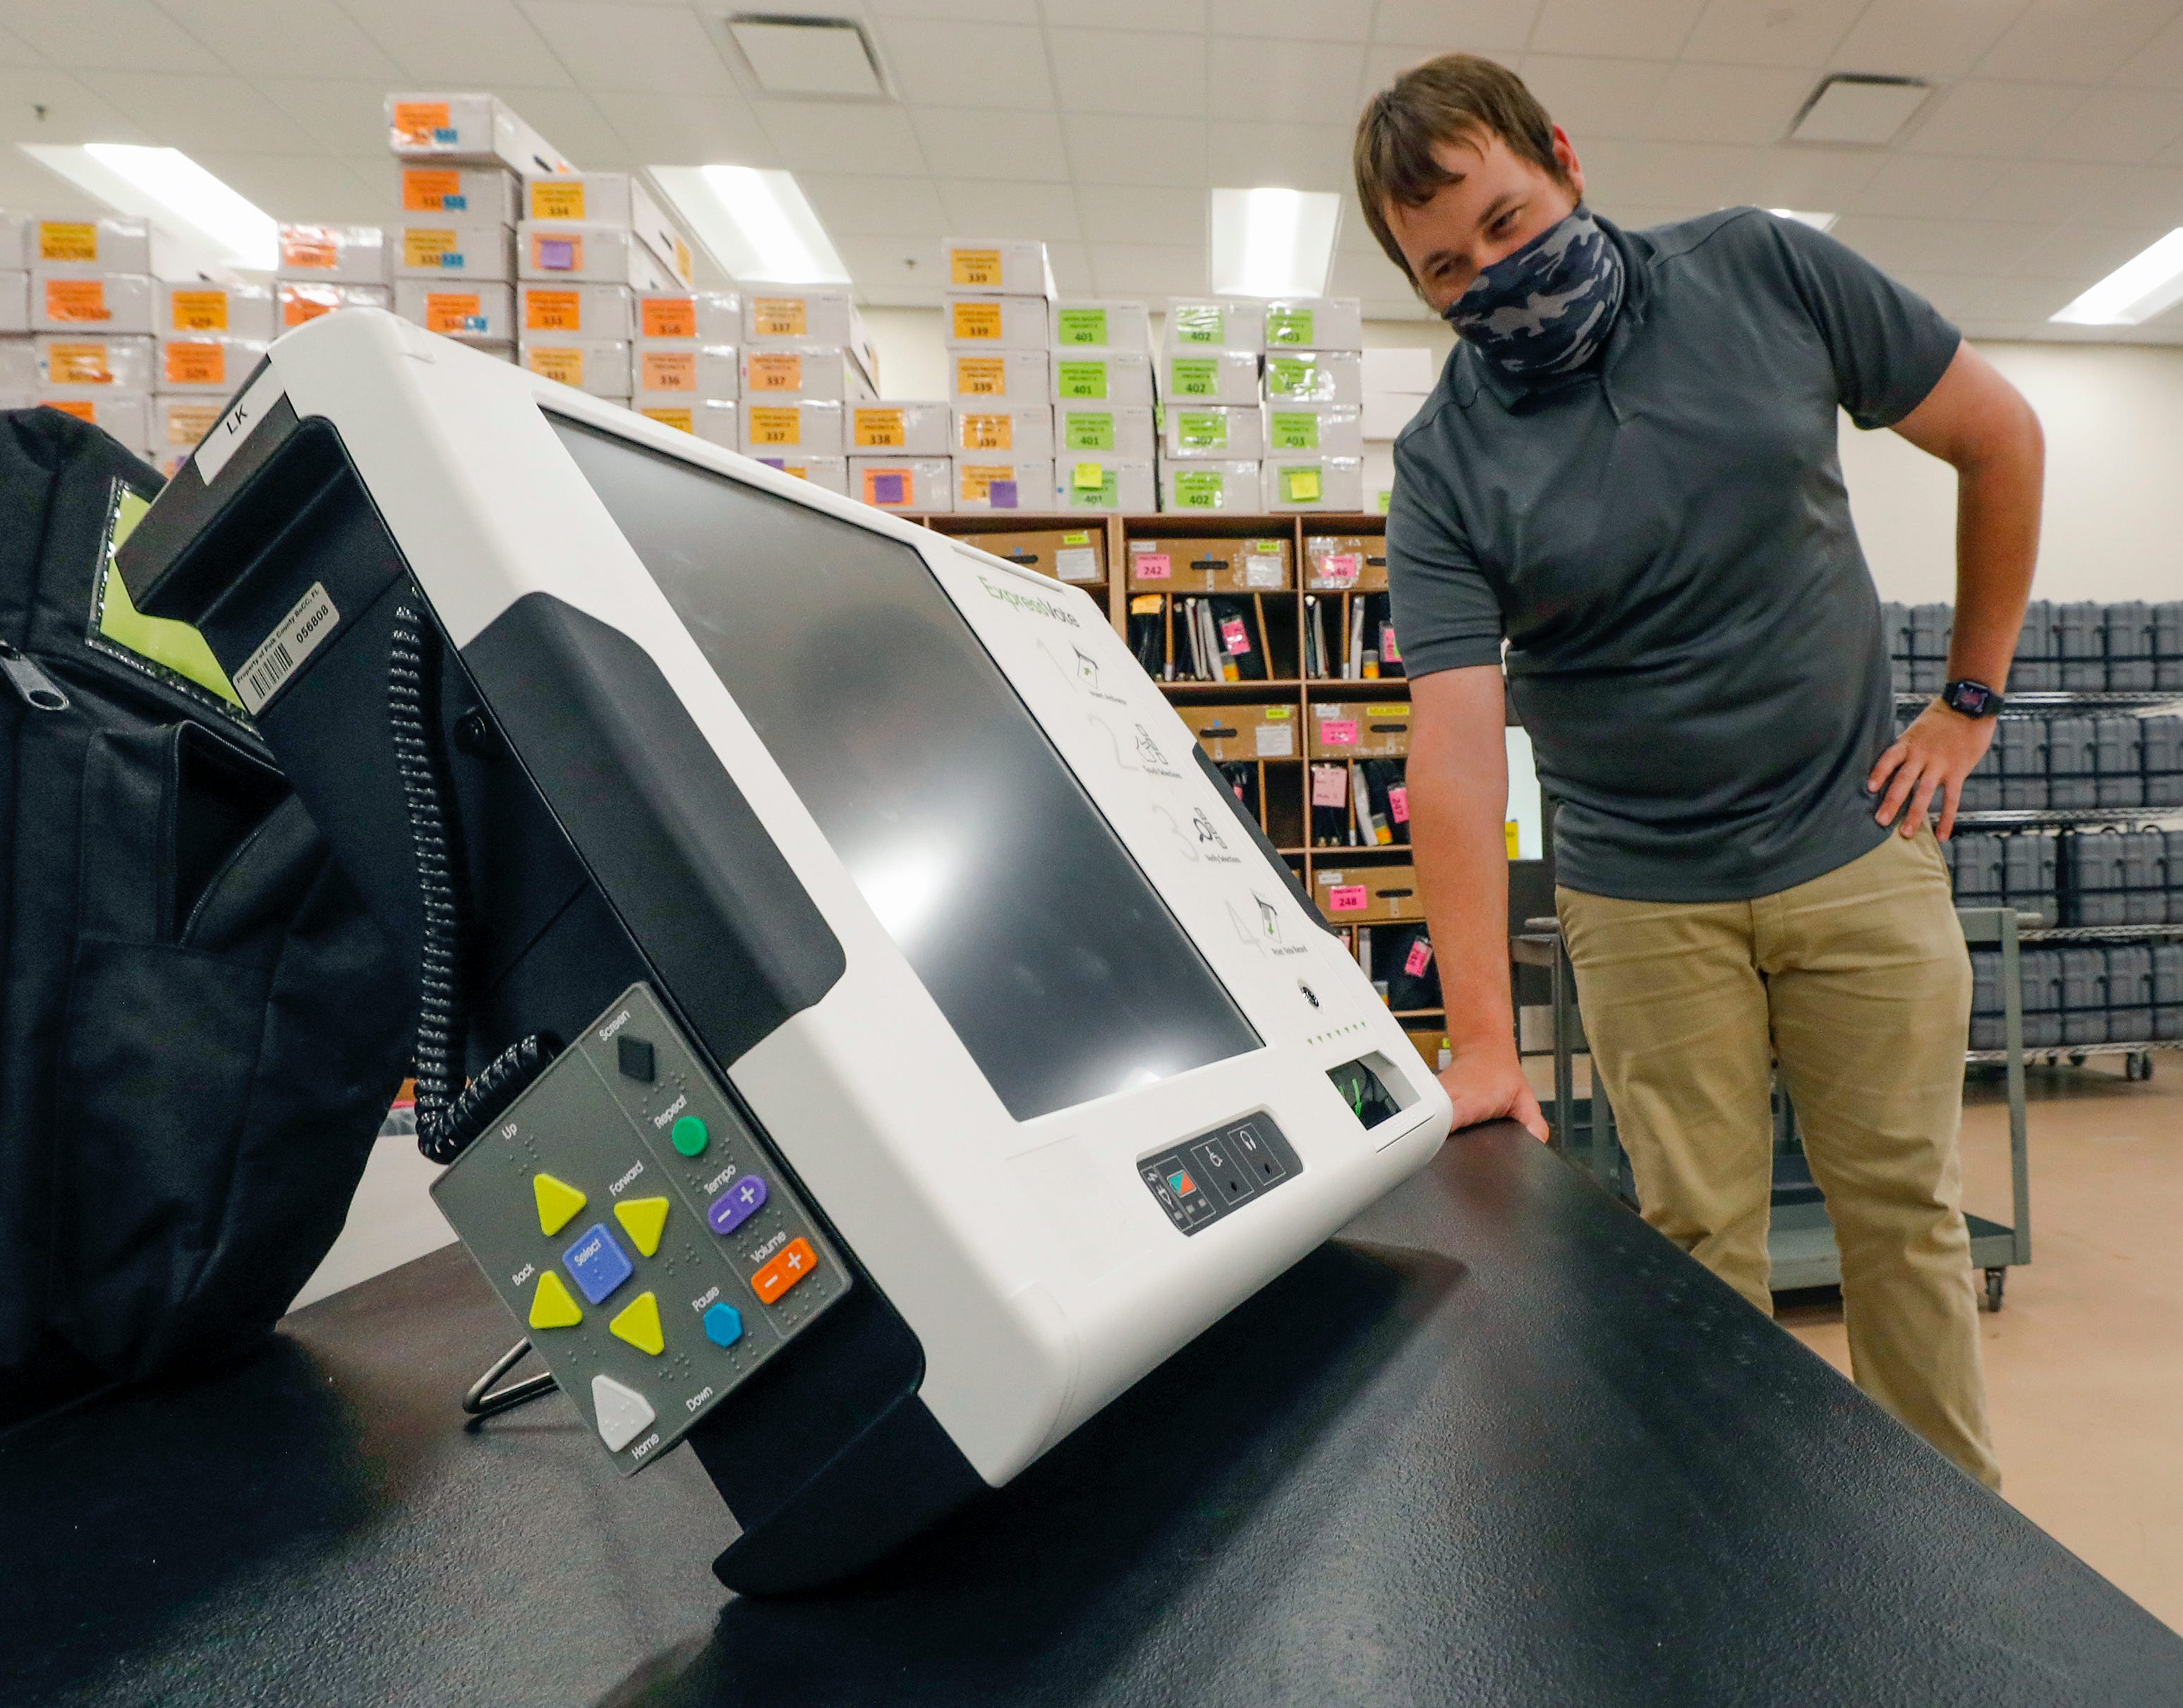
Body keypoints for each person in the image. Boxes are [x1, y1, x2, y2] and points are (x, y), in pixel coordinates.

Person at [1353, 54, 2043, 1491]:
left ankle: (1955, 1573)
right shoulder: (1443, 464)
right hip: (1640, 899)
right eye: (1443, 264)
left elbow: (1998, 438)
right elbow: (1455, 746)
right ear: (1413, 288)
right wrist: (1479, 1035)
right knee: (1693, 1245)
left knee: (1902, 1221)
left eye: (1504, 217)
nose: (1490, 270)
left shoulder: (1761, 271)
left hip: (1855, 843)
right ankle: (1730, 1554)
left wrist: (1964, 707)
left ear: (1562, 157)